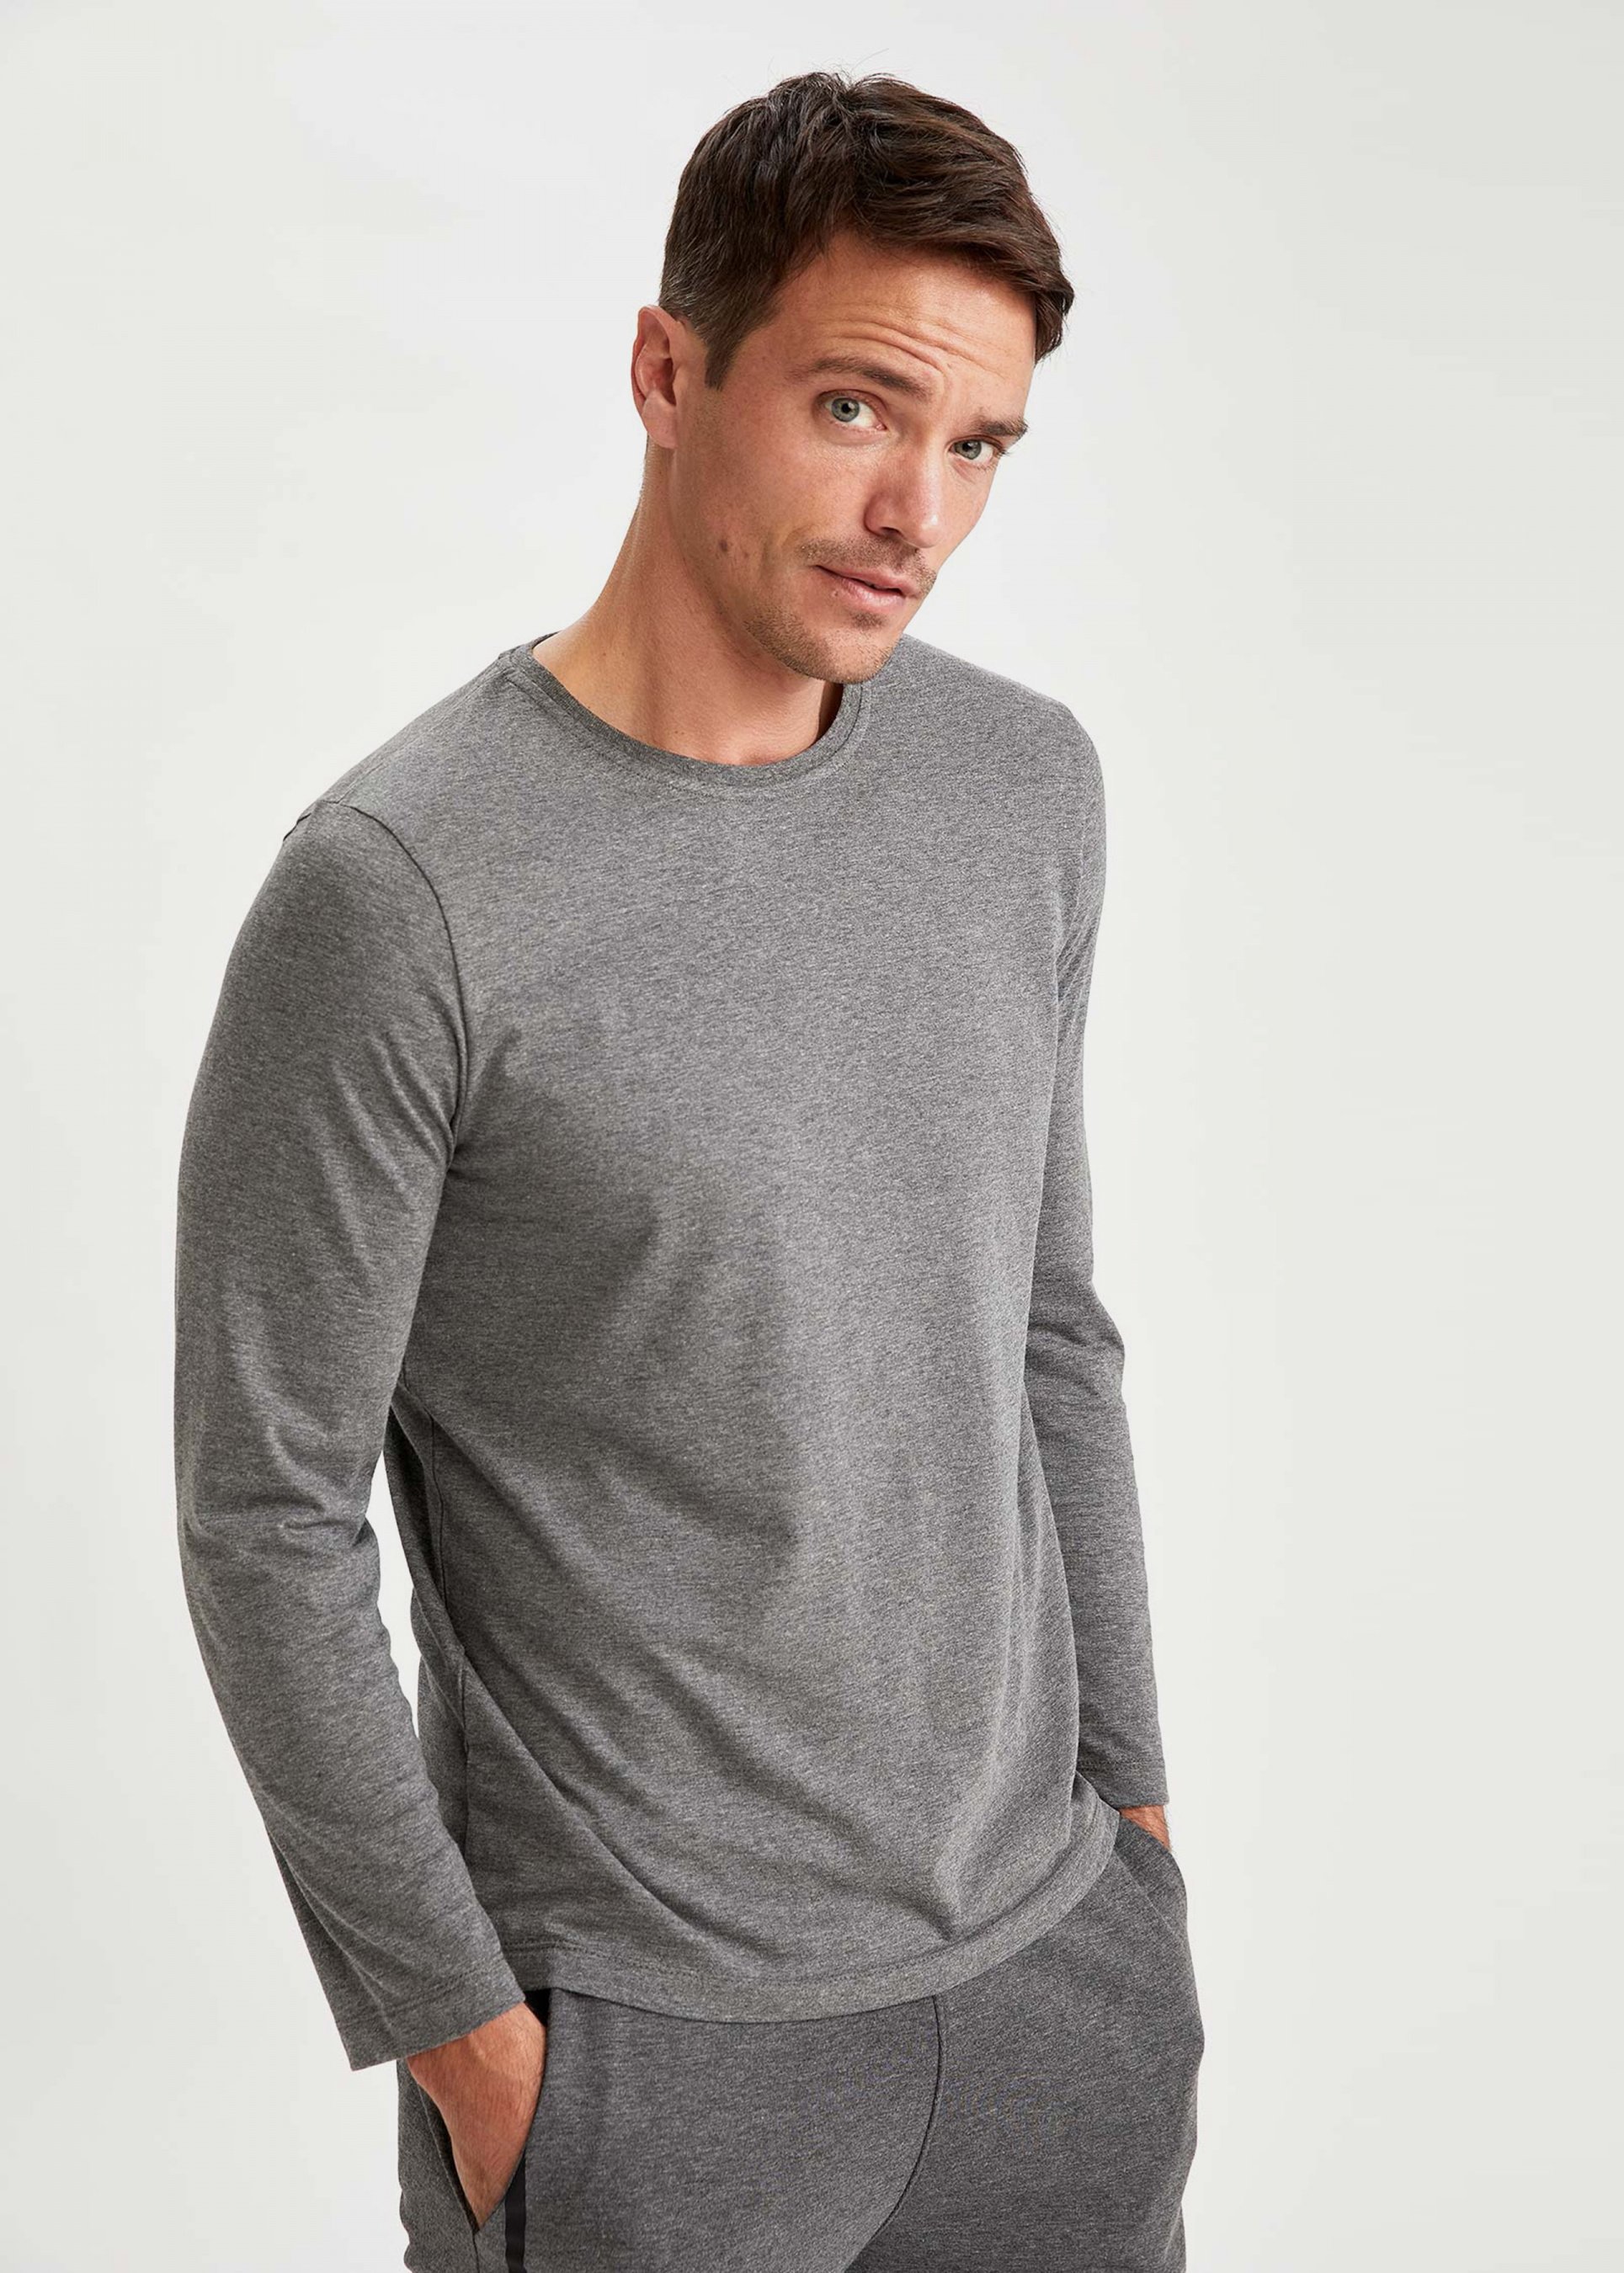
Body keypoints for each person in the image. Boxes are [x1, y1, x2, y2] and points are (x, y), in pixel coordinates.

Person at [174, 67, 1204, 2272]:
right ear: (667, 373)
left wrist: (1131, 1833)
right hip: (649, 2055)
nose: (916, 510)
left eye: (980, 445)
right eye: (854, 408)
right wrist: (479, 2052)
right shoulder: (400, 891)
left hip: (1053, 1989)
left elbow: (1048, 1331)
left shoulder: (1018, 789)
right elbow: (264, 1510)